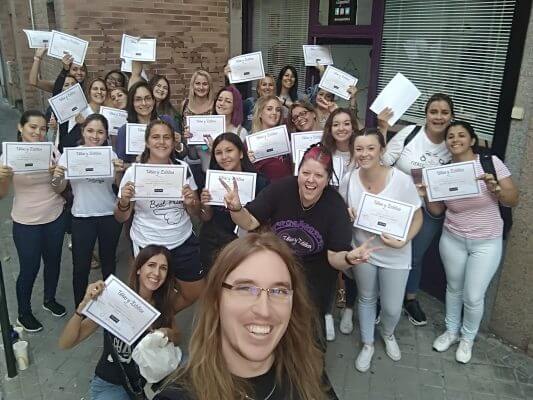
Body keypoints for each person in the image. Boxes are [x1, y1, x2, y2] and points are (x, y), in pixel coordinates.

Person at [223, 144, 376, 345]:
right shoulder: (281, 188)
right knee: (273, 323)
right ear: (298, 172)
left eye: (319, 175)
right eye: (306, 173)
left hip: (315, 278)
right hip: (278, 268)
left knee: (311, 332)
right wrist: (236, 209)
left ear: (328, 178)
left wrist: (349, 258)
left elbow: (334, 257)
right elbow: (250, 221)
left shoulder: (336, 206)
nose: (311, 180)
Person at [156, 232, 332, 400]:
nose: (264, 310)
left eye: (279, 291)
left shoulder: (309, 370)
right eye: (245, 289)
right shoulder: (178, 396)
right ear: (217, 300)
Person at [420, 121, 518, 363]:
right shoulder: (443, 171)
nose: (455, 140)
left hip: (486, 241)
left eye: (461, 135)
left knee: (473, 296)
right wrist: (427, 194)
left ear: (472, 140)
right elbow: (436, 210)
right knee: (454, 288)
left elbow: (513, 199)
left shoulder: (489, 163)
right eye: (450, 136)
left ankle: (467, 338)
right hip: (453, 238)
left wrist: (495, 189)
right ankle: (451, 331)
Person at [340, 128, 423, 372]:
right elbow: (342, 211)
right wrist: (347, 214)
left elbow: (418, 218)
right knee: (366, 298)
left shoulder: (401, 180)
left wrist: (404, 240)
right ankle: (367, 344)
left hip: (396, 253)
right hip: (363, 250)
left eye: (370, 148)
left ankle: (387, 334)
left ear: (381, 150)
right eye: (359, 149)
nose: (364, 154)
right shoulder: (349, 180)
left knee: (391, 306)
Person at [58, 245, 179, 400]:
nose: (156, 273)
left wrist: (167, 334)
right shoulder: (115, 299)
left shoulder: (163, 305)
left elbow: (177, 337)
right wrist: (81, 309)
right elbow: (66, 343)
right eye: (151, 265)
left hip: (146, 384)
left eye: (163, 268)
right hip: (111, 384)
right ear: (138, 269)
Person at [115, 119, 204, 312]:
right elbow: (121, 218)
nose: (161, 142)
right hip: (147, 243)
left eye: (166, 137)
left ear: (173, 142)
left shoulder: (183, 168)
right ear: (147, 142)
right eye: (156, 137)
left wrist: (191, 203)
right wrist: (123, 202)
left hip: (182, 239)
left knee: (194, 291)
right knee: (144, 298)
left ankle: (162, 316)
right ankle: (150, 328)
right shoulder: (133, 173)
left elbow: (196, 212)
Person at [382, 93, 454, 326]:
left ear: (451, 116)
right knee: (387, 249)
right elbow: (384, 160)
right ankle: (379, 298)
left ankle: (410, 298)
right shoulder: (411, 133)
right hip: (397, 206)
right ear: (426, 114)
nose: (439, 117)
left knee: (415, 255)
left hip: (429, 211)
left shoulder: (453, 144)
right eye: (434, 111)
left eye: (444, 112)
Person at [0, 111, 67, 332]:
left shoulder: (52, 152)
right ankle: (23, 312)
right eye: (32, 128)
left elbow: (60, 189)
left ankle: (49, 299)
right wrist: (3, 178)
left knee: (53, 261)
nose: (38, 133)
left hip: (54, 216)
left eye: (42, 129)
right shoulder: (8, 157)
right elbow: (2, 194)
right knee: (29, 268)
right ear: (21, 128)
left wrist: (57, 176)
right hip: (25, 221)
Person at [52, 114, 124, 307]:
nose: (95, 136)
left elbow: (118, 187)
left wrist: (119, 172)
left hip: (109, 215)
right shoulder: (71, 155)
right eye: (90, 130)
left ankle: (109, 304)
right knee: (80, 265)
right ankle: (81, 306)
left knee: (109, 262)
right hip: (82, 216)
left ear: (106, 135)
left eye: (100, 132)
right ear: (83, 131)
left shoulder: (111, 155)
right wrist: (58, 176)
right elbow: (59, 188)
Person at [199, 132, 269, 270]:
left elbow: (263, 222)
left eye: (229, 150)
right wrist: (205, 205)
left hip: (245, 243)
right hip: (213, 243)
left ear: (241, 154)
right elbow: (206, 218)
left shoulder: (260, 182)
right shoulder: (211, 180)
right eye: (218, 153)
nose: (224, 157)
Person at [248, 95, 292, 182]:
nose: (274, 113)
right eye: (269, 109)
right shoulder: (249, 143)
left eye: (278, 110)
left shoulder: (287, 137)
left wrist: (284, 102)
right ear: (260, 113)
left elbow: (300, 111)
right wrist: (248, 163)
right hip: (265, 191)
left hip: (287, 189)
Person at [115, 81, 159, 163]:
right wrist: (136, 162)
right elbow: (122, 164)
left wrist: (178, 145)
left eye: (148, 98)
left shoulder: (166, 122)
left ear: (153, 100)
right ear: (132, 103)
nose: (144, 103)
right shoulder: (124, 131)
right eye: (138, 99)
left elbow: (181, 155)